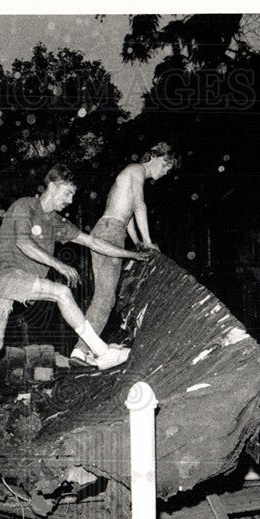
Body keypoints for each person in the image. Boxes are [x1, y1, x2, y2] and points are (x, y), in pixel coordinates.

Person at [0, 164, 150, 419]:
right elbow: (23, 242)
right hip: (0, 275)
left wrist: (133, 254)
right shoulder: (25, 206)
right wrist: (58, 264)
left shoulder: (57, 223)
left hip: (6, 287)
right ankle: (101, 352)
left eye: (73, 196)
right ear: (52, 185)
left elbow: (93, 242)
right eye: (67, 193)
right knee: (62, 293)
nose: (70, 200)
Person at [71, 143, 180, 363]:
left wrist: (138, 241)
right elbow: (139, 205)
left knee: (104, 296)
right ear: (158, 157)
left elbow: (127, 216)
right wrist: (148, 242)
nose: (166, 172)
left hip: (111, 230)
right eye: (166, 167)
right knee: (105, 298)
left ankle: (85, 349)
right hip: (110, 232)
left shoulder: (129, 174)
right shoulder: (136, 169)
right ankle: (81, 350)